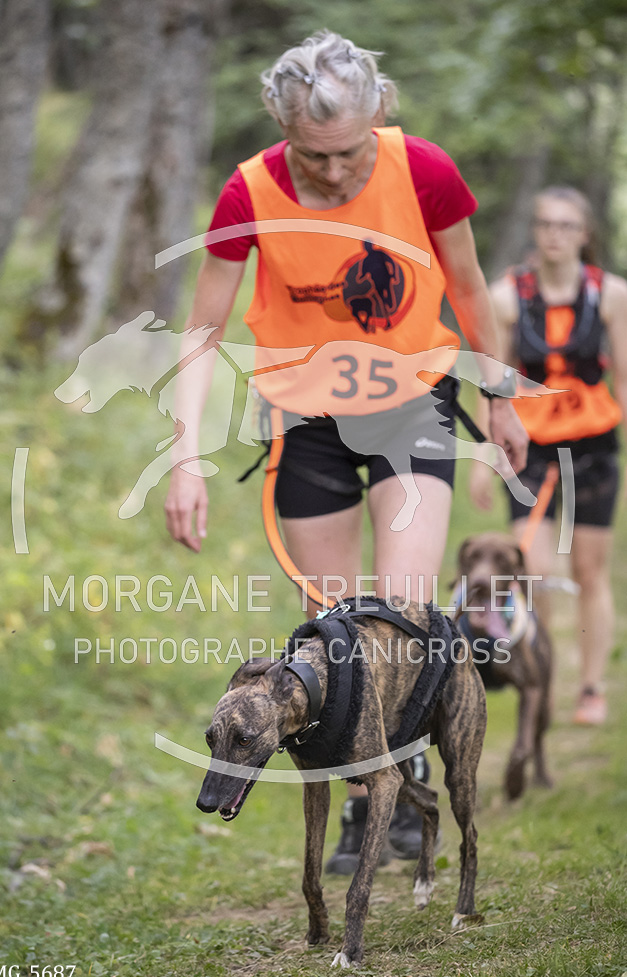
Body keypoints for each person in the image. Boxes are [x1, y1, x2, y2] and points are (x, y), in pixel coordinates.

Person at [165, 30, 527, 872]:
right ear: (279, 125)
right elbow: (201, 331)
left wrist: (500, 396)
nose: (331, 172)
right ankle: (369, 803)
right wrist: (184, 456)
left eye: (348, 151)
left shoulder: (423, 171)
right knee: (333, 636)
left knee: (398, 617)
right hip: (307, 422)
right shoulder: (248, 190)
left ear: (379, 113)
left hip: (411, 406)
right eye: (311, 154)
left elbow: (468, 286)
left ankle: (404, 778)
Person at [479, 187, 627, 726]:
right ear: (535, 231)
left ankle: (591, 688)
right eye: (545, 224)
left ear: (584, 234)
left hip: (593, 445)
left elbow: (623, 378)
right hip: (530, 445)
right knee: (534, 569)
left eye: (566, 226)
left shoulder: (611, 294)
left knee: (589, 570)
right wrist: (483, 458)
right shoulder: (506, 298)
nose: (554, 235)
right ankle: (541, 678)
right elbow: (491, 382)